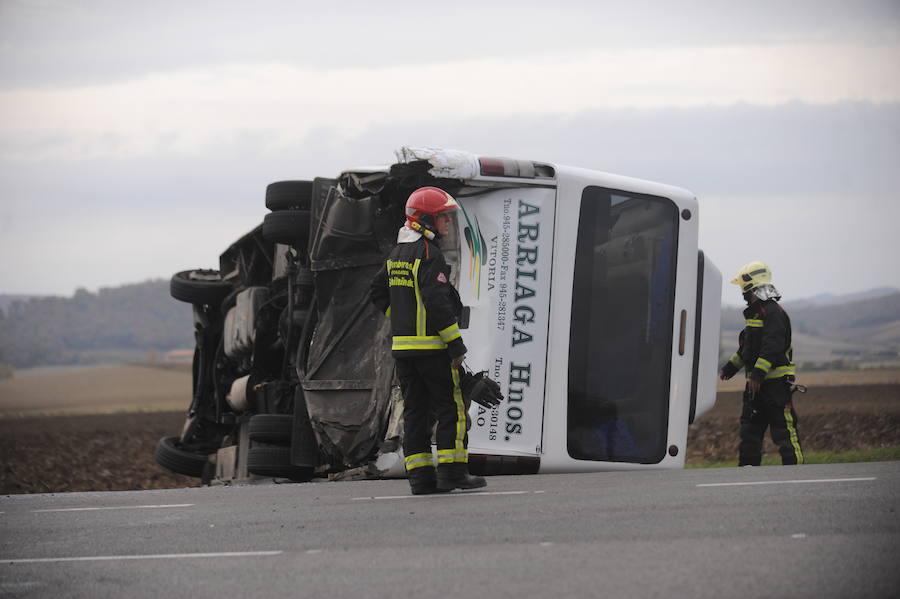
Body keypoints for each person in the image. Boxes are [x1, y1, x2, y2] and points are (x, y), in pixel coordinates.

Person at [370, 186, 486, 494]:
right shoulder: (428, 254)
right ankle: (453, 473)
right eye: (443, 218)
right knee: (452, 409)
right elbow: (437, 303)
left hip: (403, 353)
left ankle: (421, 480)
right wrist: (456, 346)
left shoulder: (396, 255)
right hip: (432, 350)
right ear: (424, 220)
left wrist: (403, 317)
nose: (447, 224)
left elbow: (376, 291)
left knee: (415, 413)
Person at [719, 261, 804, 466]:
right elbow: (747, 350)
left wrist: (757, 374)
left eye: (743, 288)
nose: (743, 293)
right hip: (755, 388)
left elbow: (772, 347)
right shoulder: (755, 314)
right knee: (749, 433)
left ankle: (797, 474)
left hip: (775, 387)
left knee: (784, 432)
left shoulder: (773, 313)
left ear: (751, 286)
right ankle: (748, 475)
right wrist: (730, 368)